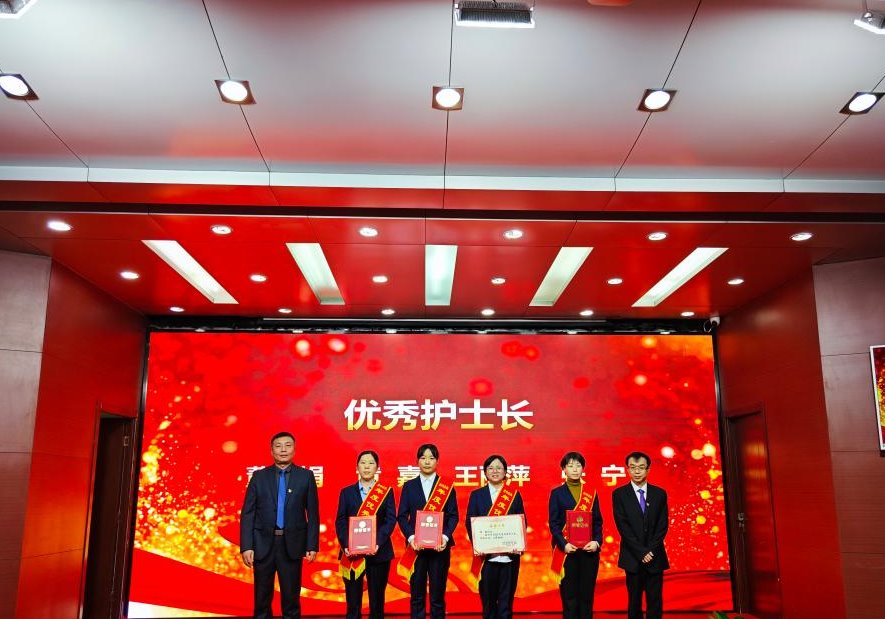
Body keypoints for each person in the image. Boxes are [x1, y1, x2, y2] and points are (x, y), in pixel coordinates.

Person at [239, 431, 320, 619]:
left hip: (292, 545)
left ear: (294, 449)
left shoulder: (306, 476)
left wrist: (311, 545)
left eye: (288, 445)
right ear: (271, 450)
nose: (283, 450)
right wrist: (247, 546)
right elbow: (248, 513)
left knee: (291, 599)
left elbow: (313, 513)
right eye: (278, 446)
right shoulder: (259, 476)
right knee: (262, 599)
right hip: (263, 545)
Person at [396, 443, 459, 619]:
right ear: (417, 461)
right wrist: (411, 538)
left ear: (437, 461)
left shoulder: (446, 487)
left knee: (438, 596)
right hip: (415, 549)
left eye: (431, 458)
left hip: (440, 548)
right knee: (417, 595)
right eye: (423, 458)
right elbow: (402, 516)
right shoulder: (409, 486)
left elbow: (453, 516)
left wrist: (444, 537)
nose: (427, 461)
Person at [335, 450, 397, 619]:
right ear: (357, 467)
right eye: (363, 463)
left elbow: (390, 520)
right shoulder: (346, 492)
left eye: (371, 463)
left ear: (377, 467)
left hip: (379, 553)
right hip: (351, 553)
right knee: (353, 603)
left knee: (377, 602)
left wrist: (376, 542)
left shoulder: (386, 492)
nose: (367, 467)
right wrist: (346, 545)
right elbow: (340, 521)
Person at [466, 454, 526, 619]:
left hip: (509, 558)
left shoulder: (514, 495)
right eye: (491, 468)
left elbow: (522, 523)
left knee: (506, 604)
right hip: (486, 559)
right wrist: (479, 545)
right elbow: (470, 523)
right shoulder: (477, 495)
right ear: (485, 472)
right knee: (488, 603)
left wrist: (518, 544)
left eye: (499, 468)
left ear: (505, 472)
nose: (495, 471)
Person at [611, 451, 669, 619]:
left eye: (641, 467)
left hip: (655, 556)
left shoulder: (659, 494)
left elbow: (662, 526)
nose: (637, 471)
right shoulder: (619, 494)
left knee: (655, 601)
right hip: (632, 557)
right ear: (627, 469)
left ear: (648, 469)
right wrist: (641, 552)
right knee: (634, 601)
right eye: (633, 467)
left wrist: (650, 551)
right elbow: (623, 527)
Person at [548, 451, 603, 619]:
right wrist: (563, 544)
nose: (575, 469)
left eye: (578, 465)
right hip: (566, 552)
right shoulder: (557, 493)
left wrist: (597, 542)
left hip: (588, 551)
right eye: (570, 466)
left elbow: (598, 522)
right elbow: (554, 524)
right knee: (569, 596)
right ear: (564, 469)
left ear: (583, 469)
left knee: (587, 595)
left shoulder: (591, 493)